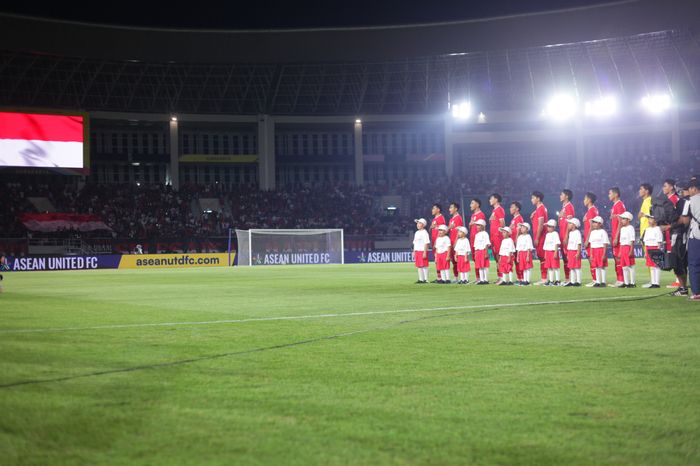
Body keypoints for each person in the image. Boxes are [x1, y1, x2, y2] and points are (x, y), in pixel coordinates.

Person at [667, 182, 690, 296]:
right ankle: (683, 288)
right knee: (680, 262)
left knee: (679, 262)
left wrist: (669, 226)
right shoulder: (683, 201)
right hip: (680, 235)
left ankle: (684, 288)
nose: (683, 192)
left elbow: (683, 220)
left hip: (681, 235)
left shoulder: (683, 202)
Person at [684, 178, 700, 300]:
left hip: (696, 235)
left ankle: (697, 292)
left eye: (689, 189)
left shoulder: (689, 201)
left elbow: (685, 220)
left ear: (694, 189)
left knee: (694, 264)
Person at [608, 187, 627, 286]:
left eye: (610, 193)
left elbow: (621, 222)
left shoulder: (619, 205)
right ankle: (619, 279)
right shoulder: (615, 206)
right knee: (616, 258)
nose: (609, 195)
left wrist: (616, 237)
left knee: (619, 258)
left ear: (615, 194)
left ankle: (621, 280)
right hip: (615, 234)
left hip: (618, 236)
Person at [582, 192, 602, 286]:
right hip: (591, 237)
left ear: (589, 200)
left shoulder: (591, 211)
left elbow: (591, 226)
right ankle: (596, 279)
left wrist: (587, 240)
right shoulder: (592, 210)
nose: (584, 200)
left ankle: (595, 280)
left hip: (590, 239)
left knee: (592, 259)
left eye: (585, 198)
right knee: (592, 259)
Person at [530, 191, 548, 284]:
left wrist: (537, 237)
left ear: (538, 198)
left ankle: (545, 278)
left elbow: (541, 224)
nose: (531, 199)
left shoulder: (541, 208)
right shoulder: (539, 209)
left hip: (541, 236)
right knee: (541, 257)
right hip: (539, 235)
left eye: (533, 198)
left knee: (542, 257)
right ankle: (544, 278)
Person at [558, 189, 575, 284]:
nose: (560, 196)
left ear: (567, 196)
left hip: (566, 235)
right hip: (562, 234)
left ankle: (571, 279)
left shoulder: (569, 207)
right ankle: (567, 278)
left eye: (562, 194)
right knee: (564, 258)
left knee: (568, 257)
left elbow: (570, 224)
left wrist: (566, 236)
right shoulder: (563, 207)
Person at [588, 216, 611, 287]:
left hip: (600, 250)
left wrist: (604, 254)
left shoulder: (603, 232)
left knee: (602, 266)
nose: (593, 224)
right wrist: (591, 254)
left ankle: (603, 281)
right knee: (596, 267)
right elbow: (591, 244)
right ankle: (598, 281)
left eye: (595, 222)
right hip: (594, 251)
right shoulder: (592, 232)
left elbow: (605, 243)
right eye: (593, 222)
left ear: (600, 224)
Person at [642, 215, 663, 288]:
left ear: (655, 220)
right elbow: (645, 242)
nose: (649, 220)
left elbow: (659, 241)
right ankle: (653, 282)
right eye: (649, 219)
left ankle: (657, 283)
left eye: (651, 219)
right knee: (651, 266)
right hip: (648, 248)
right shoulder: (647, 230)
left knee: (656, 266)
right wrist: (645, 252)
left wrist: (659, 249)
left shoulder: (658, 229)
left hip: (655, 248)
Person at [489, 193, 506, 283]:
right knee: (496, 257)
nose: (490, 200)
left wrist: (500, 233)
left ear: (496, 199)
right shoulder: (494, 210)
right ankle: (499, 276)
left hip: (497, 236)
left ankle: (503, 277)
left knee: (499, 256)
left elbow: (502, 223)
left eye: (491, 198)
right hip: (493, 236)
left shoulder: (499, 209)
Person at [617, 211, 637, 288]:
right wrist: (619, 251)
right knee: (624, 266)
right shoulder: (622, 229)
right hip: (623, 248)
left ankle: (632, 283)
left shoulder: (630, 228)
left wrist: (631, 250)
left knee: (631, 266)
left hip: (628, 247)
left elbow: (632, 239)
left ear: (628, 220)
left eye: (623, 219)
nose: (622, 220)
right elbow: (621, 241)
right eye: (622, 219)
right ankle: (626, 282)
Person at [447, 202, 464, 282]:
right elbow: (448, 230)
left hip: (456, 242)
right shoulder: (451, 219)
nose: (449, 209)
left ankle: (462, 277)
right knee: (453, 260)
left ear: (456, 209)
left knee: (458, 259)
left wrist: (456, 242)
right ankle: (456, 277)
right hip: (451, 241)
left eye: (451, 208)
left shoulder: (458, 218)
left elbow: (459, 231)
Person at [509, 201, 525, 282]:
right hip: (513, 242)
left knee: (518, 260)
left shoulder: (519, 218)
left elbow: (519, 231)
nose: (510, 208)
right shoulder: (513, 219)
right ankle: (519, 277)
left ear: (517, 209)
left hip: (516, 243)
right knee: (515, 260)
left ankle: (521, 278)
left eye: (512, 207)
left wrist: (516, 242)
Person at [429, 204, 446, 282]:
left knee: (439, 259)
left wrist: (437, 241)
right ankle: (439, 277)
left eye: (433, 208)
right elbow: (432, 229)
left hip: (438, 243)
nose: (432, 210)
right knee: (437, 260)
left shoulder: (441, 218)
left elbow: (442, 231)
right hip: (434, 241)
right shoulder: (434, 219)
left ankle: (442, 277)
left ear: (438, 210)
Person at [564, 218, 583, 287]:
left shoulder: (577, 232)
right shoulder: (570, 233)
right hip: (570, 251)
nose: (568, 225)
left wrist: (578, 252)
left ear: (574, 225)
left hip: (575, 251)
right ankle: (572, 281)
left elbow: (579, 243)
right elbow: (566, 242)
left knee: (577, 267)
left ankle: (578, 281)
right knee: (571, 267)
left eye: (570, 223)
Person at [542, 219, 561, 286]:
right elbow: (546, 245)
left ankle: (558, 280)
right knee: (549, 267)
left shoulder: (555, 234)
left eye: (549, 226)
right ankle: (551, 280)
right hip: (548, 252)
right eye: (547, 226)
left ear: (553, 227)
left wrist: (556, 252)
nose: (548, 228)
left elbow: (556, 243)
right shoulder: (547, 235)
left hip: (553, 252)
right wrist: (545, 254)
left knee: (555, 267)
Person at [473, 219, 491, 285]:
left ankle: (486, 279)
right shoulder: (477, 235)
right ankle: (482, 279)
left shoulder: (485, 234)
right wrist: (475, 253)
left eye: (478, 225)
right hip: (478, 251)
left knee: (485, 266)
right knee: (480, 266)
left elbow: (486, 243)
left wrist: (486, 252)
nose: (477, 227)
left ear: (482, 226)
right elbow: (475, 245)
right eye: (477, 225)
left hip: (483, 250)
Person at [412, 218, 430, 284]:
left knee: (424, 265)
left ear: (423, 224)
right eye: (417, 223)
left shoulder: (425, 233)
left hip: (422, 250)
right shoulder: (417, 232)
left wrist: (425, 252)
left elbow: (426, 243)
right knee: (419, 265)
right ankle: (421, 279)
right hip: (417, 250)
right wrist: (414, 251)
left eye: (419, 223)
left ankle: (426, 279)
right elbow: (414, 243)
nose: (417, 224)